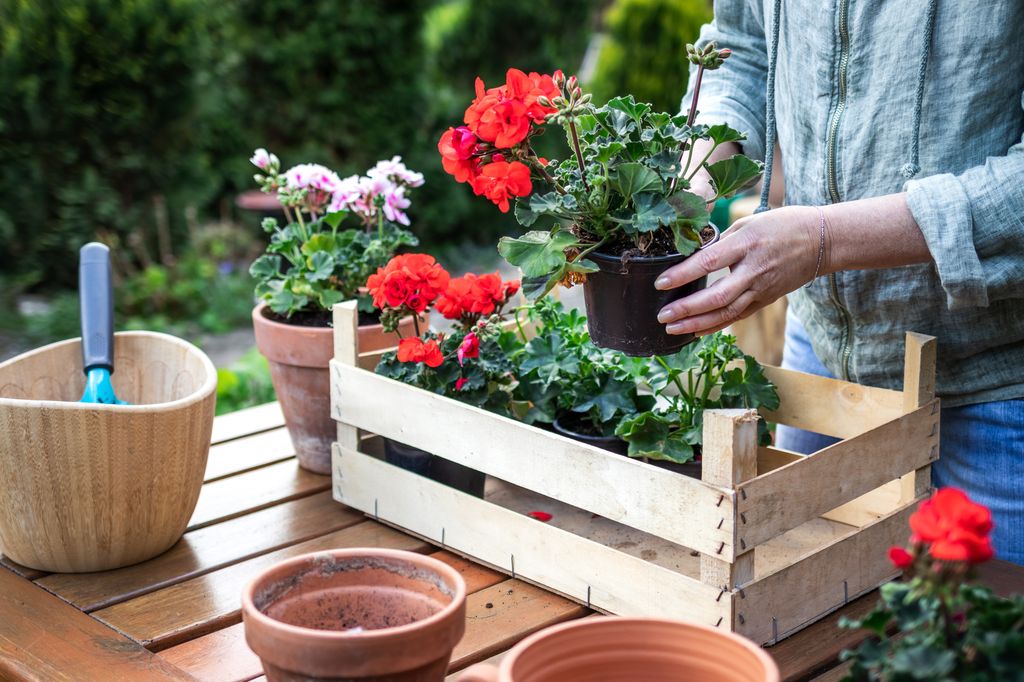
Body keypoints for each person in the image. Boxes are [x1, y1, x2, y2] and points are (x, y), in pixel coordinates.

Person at [654, 1, 1024, 563]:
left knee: (981, 639)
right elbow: (741, 49)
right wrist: (699, 175)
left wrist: (824, 240)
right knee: (805, 619)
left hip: (994, 386)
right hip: (821, 350)